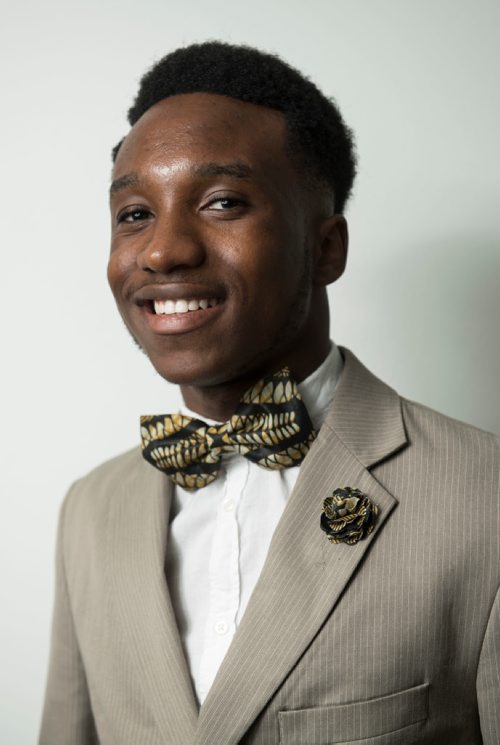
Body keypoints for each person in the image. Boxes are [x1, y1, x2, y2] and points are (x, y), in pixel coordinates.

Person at [39, 41, 499, 745]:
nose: (162, 251)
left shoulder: (484, 497)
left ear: (326, 248)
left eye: (222, 201)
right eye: (134, 213)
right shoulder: (89, 512)